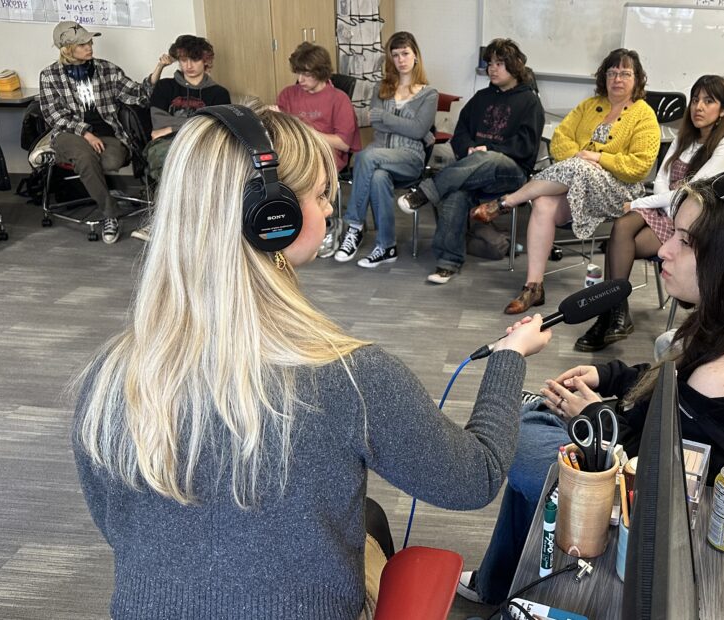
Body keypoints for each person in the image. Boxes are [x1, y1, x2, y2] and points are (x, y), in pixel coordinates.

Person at [71, 105, 553, 619]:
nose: (328, 211)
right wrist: (508, 358)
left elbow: (118, 524)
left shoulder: (108, 375)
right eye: (321, 195)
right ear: (270, 217)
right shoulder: (350, 376)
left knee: (364, 516)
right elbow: (473, 478)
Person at [458, 173, 724, 605]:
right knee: (538, 416)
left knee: (515, 433)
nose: (663, 249)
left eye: (685, 241)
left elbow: (659, 479)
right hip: (667, 474)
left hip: (662, 522)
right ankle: (498, 582)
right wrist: (608, 377)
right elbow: (669, 384)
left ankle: (499, 582)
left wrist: (594, 417)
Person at [473, 48, 660, 314]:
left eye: (625, 73)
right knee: (543, 203)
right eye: (612, 72)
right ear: (603, 77)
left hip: (620, 191)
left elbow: (638, 167)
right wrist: (580, 158)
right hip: (576, 180)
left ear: (638, 79)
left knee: (581, 167)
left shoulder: (644, 115)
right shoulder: (589, 106)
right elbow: (560, 140)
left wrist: (596, 157)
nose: (617, 79)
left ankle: (507, 202)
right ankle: (533, 287)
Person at [576, 74, 724, 351]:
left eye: (709, 101)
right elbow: (663, 177)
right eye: (696, 100)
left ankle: (610, 314)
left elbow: (689, 194)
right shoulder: (684, 138)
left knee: (625, 234)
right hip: (665, 208)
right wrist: (655, 203)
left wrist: (643, 203)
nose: (698, 107)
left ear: (722, 110)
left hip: (692, 222)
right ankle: (614, 312)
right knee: (622, 227)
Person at [395, 38, 544, 285]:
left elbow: (525, 147)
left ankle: (425, 192)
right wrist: (468, 149)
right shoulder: (481, 97)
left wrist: (488, 149)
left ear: (514, 66)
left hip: (512, 173)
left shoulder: (530, 102)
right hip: (474, 169)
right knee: (456, 192)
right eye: (490, 64)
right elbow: (461, 132)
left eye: (499, 63)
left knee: (486, 157)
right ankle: (447, 263)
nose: (492, 69)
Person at [38, 21, 170, 244]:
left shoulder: (106, 69)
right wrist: (86, 132)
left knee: (110, 159)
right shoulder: (50, 76)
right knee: (84, 154)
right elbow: (54, 116)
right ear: (68, 49)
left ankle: (99, 191)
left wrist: (159, 69)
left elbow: (139, 95)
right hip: (69, 133)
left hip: (107, 134)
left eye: (89, 42)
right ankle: (110, 214)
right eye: (82, 44)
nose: (89, 47)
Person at [334, 31, 438, 268]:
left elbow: (418, 129)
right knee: (378, 177)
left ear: (415, 56)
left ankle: (354, 226)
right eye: (395, 55)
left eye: (405, 53)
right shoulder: (382, 88)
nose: (401, 59)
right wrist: (410, 126)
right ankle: (386, 245)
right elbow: (382, 123)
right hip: (380, 156)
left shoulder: (429, 94)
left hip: (410, 159)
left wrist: (387, 117)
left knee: (364, 156)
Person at [133, 34, 232, 241]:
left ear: (206, 61)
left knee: (205, 165)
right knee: (170, 163)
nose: (189, 65)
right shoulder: (165, 87)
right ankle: (161, 222)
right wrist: (196, 121)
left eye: (194, 59)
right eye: (184, 59)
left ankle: (199, 223)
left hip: (201, 141)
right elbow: (158, 123)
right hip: (166, 144)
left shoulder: (218, 93)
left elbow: (213, 125)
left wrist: (172, 128)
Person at [277, 42, 361, 173]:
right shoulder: (287, 94)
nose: (300, 80)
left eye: (307, 74)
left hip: (324, 153)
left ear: (321, 72)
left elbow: (343, 144)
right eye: (298, 73)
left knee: (298, 169)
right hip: (293, 151)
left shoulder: (339, 99)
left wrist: (307, 133)